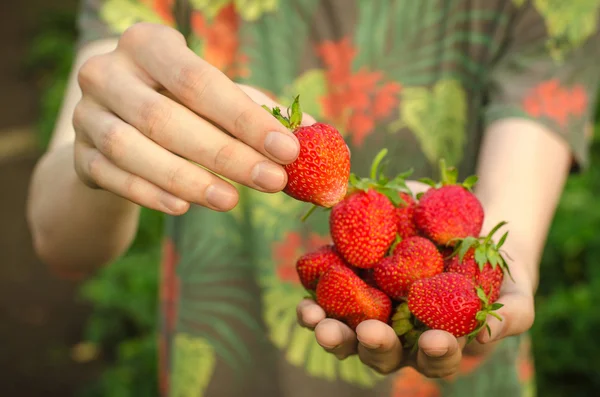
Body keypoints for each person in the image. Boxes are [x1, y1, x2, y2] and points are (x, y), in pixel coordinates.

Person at [26, 0, 600, 396]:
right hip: (232, 370)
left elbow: (506, 234)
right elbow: (60, 243)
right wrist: (98, 145)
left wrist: (483, 292)